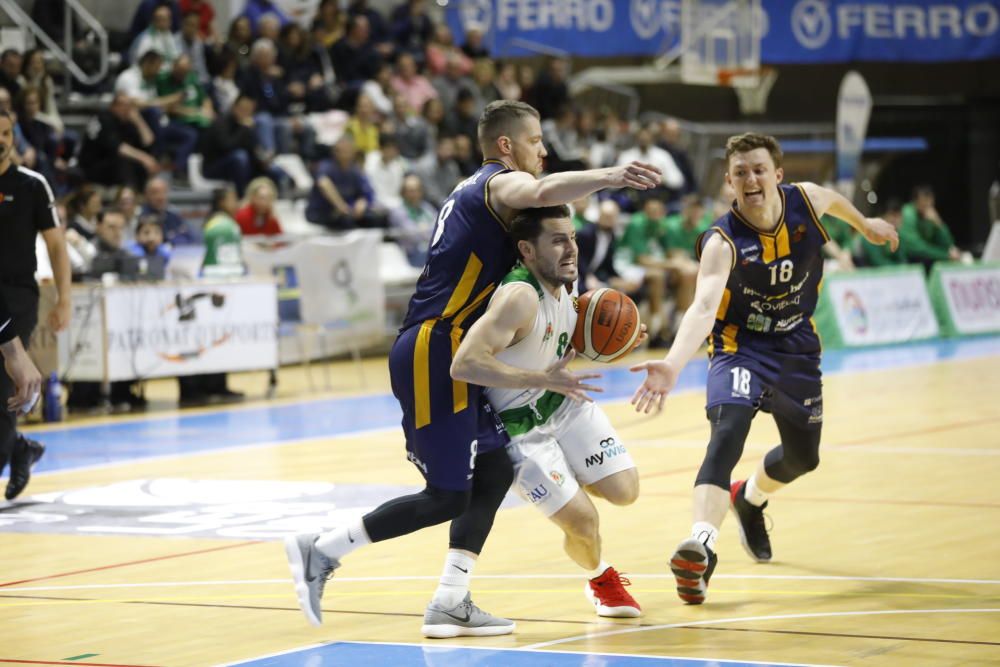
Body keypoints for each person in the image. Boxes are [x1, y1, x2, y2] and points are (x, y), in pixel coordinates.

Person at [284, 100, 659, 636]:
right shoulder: (496, 183)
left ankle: (451, 599)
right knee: (447, 494)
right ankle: (321, 550)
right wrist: (610, 175)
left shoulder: (493, 212)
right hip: (434, 347)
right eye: (535, 142)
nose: (544, 152)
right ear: (506, 146)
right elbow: (537, 191)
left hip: (447, 342)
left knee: (495, 469)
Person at [629, 133, 898, 605]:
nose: (749, 179)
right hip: (739, 346)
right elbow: (703, 305)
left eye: (758, 169)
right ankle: (701, 546)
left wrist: (866, 224)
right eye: (739, 173)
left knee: (803, 458)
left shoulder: (807, 201)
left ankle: (748, 498)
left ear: (777, 175)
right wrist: (672, 364)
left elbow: (836, 201)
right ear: (729, 183)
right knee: (727, 431)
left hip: (795, 347)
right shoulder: (720, 240)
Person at [451, 205, 643, 618]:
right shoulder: (518, 297)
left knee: (626, 491)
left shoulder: (567, 280)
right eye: (558, 240)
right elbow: (464, 364)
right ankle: (600, 577)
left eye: (571, 237)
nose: (570, 247)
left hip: (562, 401)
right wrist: (539, 379)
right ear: (527, 250)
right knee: (583, 523)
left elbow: (563, 334)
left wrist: (623, 337)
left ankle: (568, 477)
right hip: (520, 426)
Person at [0, 108, 71, 500]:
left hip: (15, 299)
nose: (1, 140)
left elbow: (57, 246)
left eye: (6, 133)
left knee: (3, 389)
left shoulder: (31, 184)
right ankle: (20, 447)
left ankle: (11, 447)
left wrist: (65, 299)